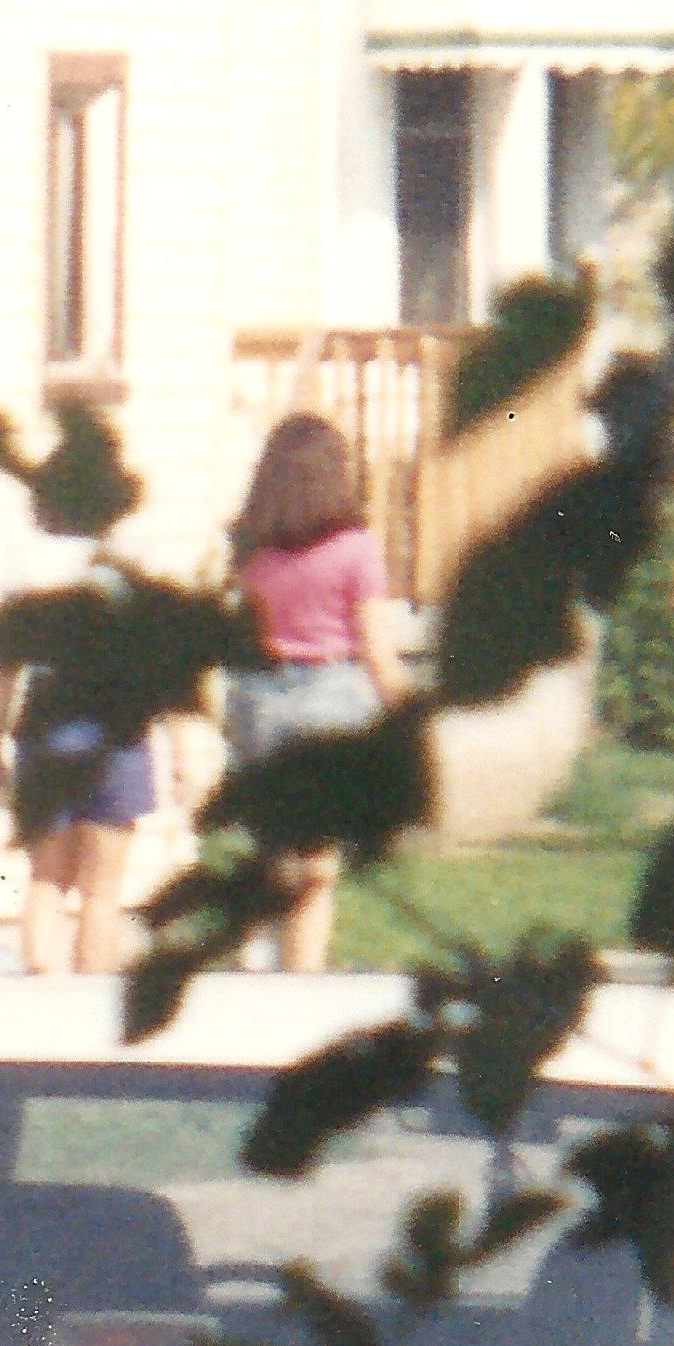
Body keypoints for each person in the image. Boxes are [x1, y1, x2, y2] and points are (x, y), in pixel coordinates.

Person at [221, 412, 406, 972]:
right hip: (328, 697)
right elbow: (375, 651)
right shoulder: (356, 548)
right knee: (317, 866)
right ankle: (299, 981)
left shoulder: (248, 545)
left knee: (274, 853)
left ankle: (260, 959)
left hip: (259, 698)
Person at [0, 548, 161, 977]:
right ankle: (90, 995)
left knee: (46, 877)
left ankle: (40, 985)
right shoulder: (128, 572)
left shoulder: (27, 569)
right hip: (115, 728)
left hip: (46, 726)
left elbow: (6, 669)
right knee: (102, 889)